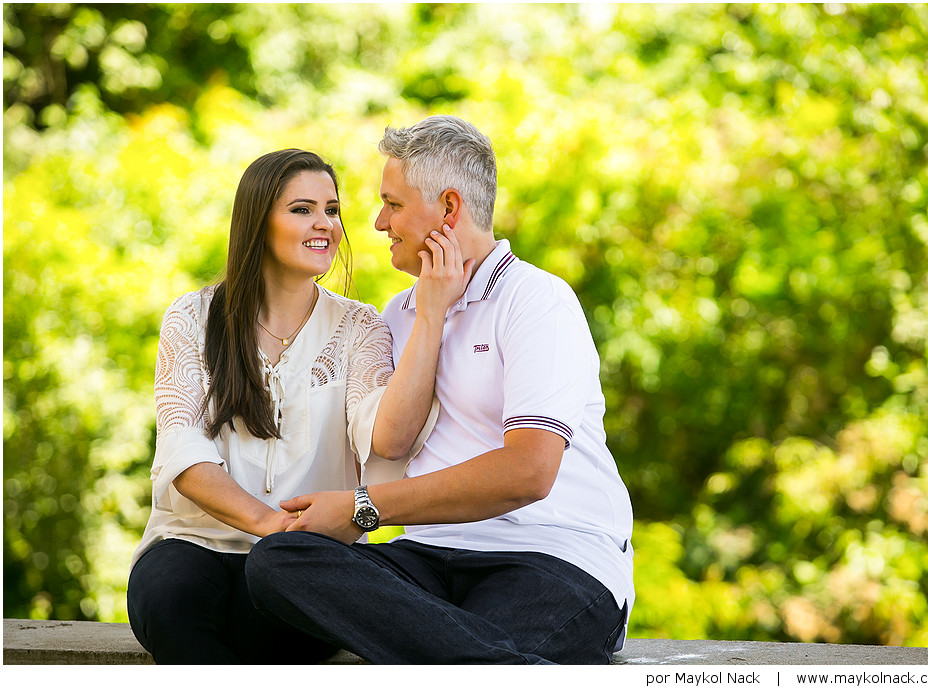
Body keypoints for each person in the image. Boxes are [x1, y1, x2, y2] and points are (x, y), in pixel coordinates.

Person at [245, 117, 634, 664]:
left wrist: (362, 508)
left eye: (393, 204)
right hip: (428, 559)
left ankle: (475, 659)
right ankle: (495, 664)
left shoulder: (536, 300)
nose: (378, 222)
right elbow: (382, 445)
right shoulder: (396, 317)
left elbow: (529, 472)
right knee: (279, 563)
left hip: (550, 555)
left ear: (449, 209)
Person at [126, 148, 472, 664]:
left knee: (280, 613)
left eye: (332, 210)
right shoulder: (193, 317)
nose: (325, 225)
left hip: (304, 562)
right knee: (171, 598)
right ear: (258, 221)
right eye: (302, 209)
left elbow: (389, 438)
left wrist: (431, 312)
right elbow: (185, 456)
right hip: (192, 544)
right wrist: (271, 525)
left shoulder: (360, 328)